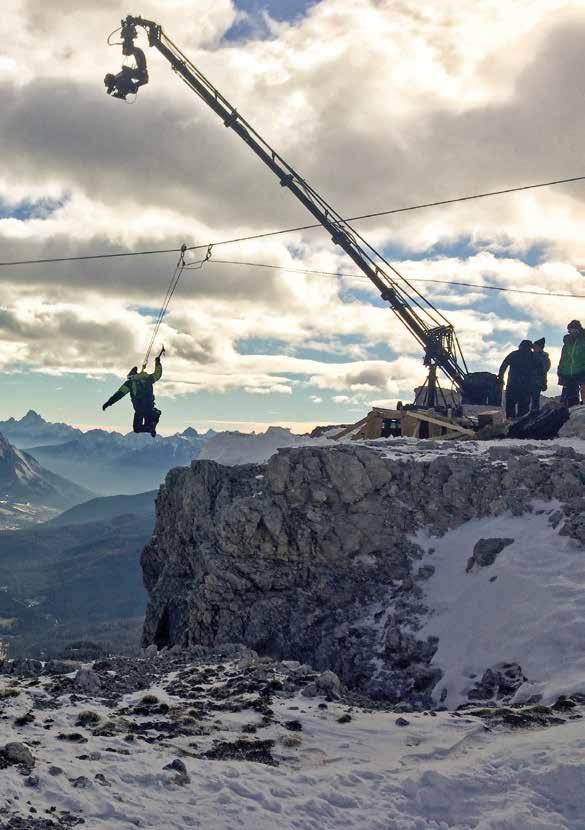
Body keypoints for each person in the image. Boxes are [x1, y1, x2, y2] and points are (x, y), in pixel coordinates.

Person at [102, 350, 163, 437]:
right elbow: (158, 374)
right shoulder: (148, 379)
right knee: (149, 422)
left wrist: (108, 403)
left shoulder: (130, 383)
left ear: (130, 376)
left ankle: (152, 423)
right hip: (149, 407)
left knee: (137, 429)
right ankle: (154, 418)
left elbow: (119, 394)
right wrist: (157, 362)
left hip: (139, 410)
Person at [498, 340, 539, 420]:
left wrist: (501, 377)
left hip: (512, 385)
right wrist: (541, 383)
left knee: (510, 407)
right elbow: (541, 371)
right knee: (523, 410)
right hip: (526, 387)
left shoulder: (514, 354)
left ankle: (509, 425)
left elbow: (504, 365)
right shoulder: (533, 356)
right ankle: (521, 427)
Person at [558, 320, 585, 407]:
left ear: (578, 329)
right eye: (569, 330)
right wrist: (560, 370)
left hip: (582, 370)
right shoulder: (567, 342)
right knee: (571, 396)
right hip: (569, 372)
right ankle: (572, 413)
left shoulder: (583, 340)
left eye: (572, 329)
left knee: (583, 390)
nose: (570, 332)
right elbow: (563, 358)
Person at [530, 337, 551, 412]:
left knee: (535, 401)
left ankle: (534, 415)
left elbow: (544, 370)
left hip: (537, 382)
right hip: (529, 381)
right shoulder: (531, 356)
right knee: (528, 401)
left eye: (535, 347)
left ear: (540, 347)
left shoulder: (544, 358)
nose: (533, 349)